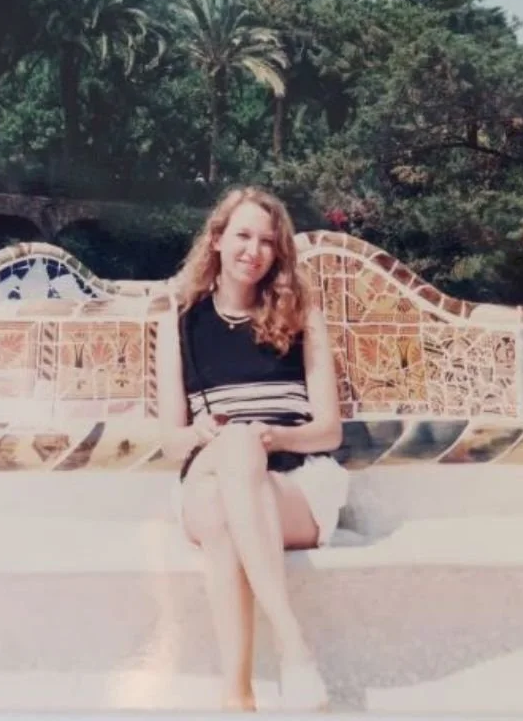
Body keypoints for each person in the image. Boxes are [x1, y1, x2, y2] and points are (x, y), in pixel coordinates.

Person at [157, 186, 349, 711]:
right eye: (242, 235)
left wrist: (275, 437)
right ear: (217, 240)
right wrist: (202, 435)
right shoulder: (179, 323)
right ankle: (294, 648)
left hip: (294, 482)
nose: (254, 250)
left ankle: (237, 697)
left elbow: (328, 430)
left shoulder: (301, 315)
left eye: (267, 241)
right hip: (209, 469)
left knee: (227, 508)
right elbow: (172, 441)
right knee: (233, 454)